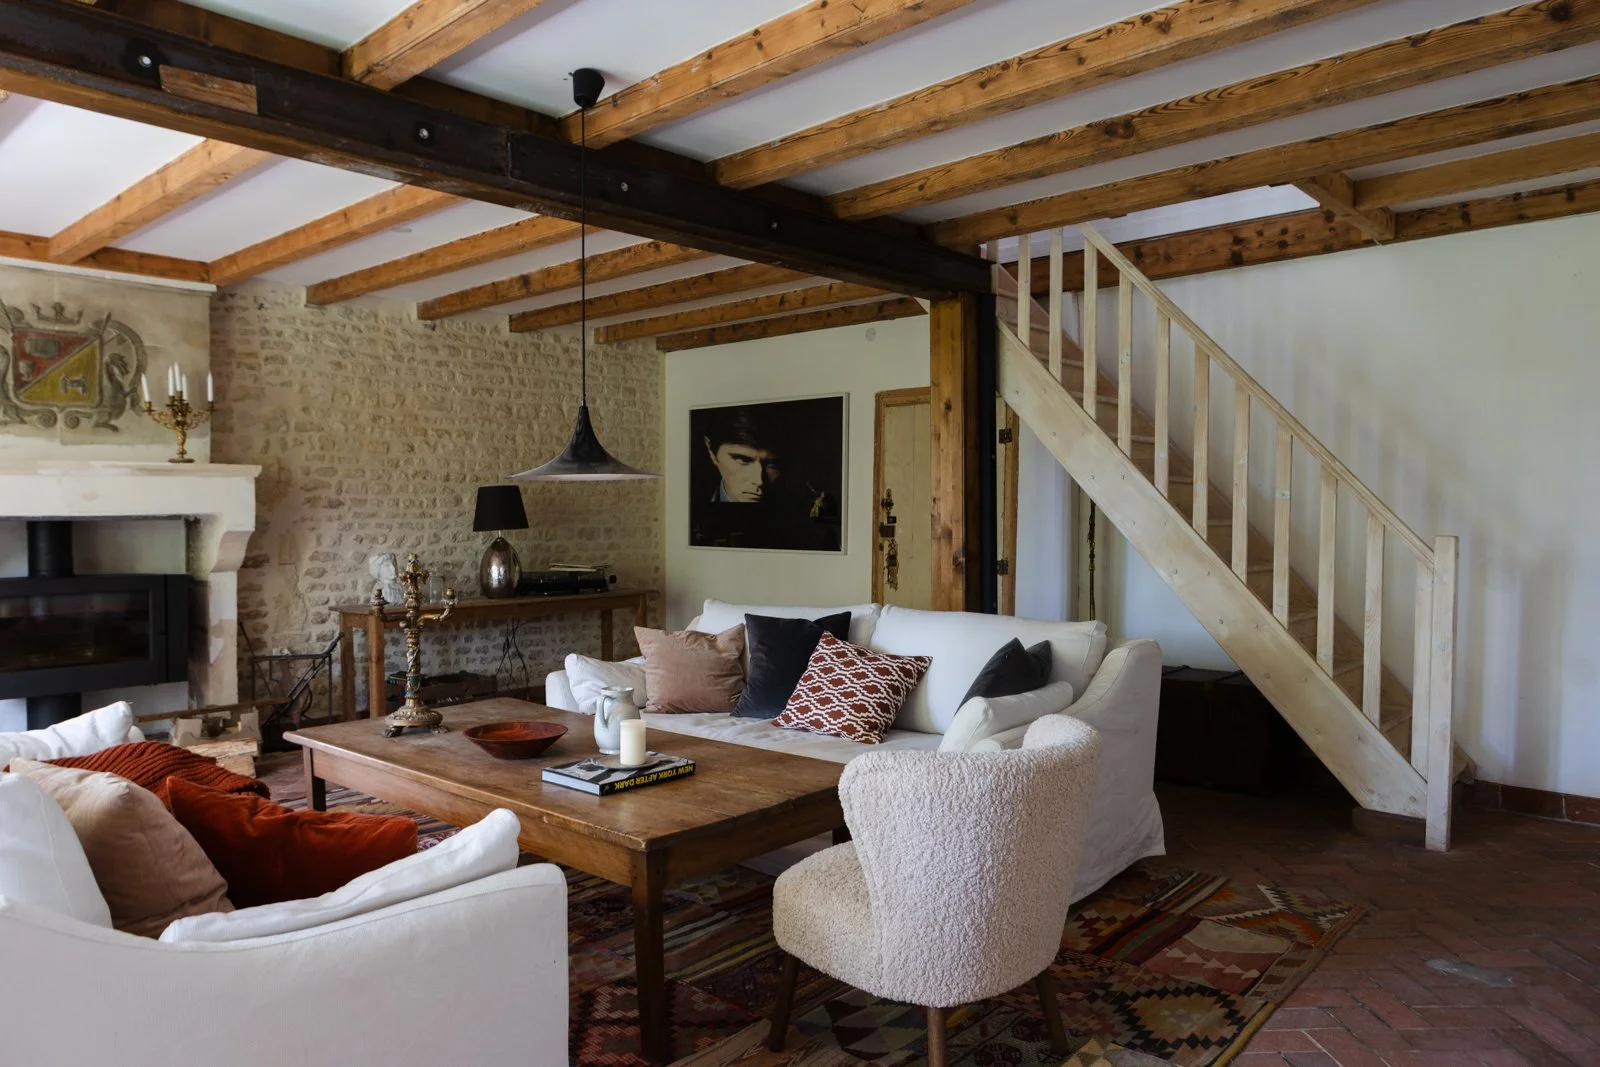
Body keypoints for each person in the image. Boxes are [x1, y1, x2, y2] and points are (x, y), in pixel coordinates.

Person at [691, 404, 840, 551]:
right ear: (711, 451)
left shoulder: (809, 522)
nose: (760, 480)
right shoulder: (690, 515)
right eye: (743, 459)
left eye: (772, 464)